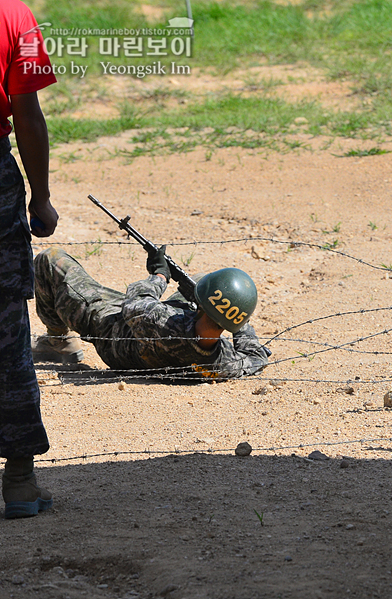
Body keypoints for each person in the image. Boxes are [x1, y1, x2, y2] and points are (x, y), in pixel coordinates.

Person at [32, 246, 272, 380]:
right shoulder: (224, 362)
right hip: (153, 350)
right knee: (198, 281)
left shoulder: (161, 321)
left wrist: (159, 275)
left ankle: (58, 341)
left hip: (113, 330)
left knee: (50, 260)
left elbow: (134, 302)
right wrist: (236, 315)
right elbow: (256, 357)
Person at [0, 0, 58, 519]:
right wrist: (39, 197)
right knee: (7, 329)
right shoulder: (13, 15)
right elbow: (27, 112)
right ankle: (18, 479)